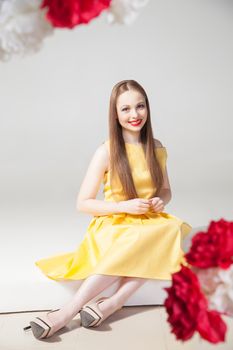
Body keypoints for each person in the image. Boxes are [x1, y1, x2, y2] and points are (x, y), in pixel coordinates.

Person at [23, 79, 192, 340]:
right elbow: (83, 203)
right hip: (115, 221)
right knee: (145, 240)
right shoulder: (106, 151)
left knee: (170, 228)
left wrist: (160, 200)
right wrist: (124, 206)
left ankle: (115, 302)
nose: (134, 115)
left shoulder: (157, 148)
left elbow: (166, 190)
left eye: (140, 106)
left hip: (148, 221)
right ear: (115, 114)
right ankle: (69, 310)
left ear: (147, 108)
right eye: (125, 109)